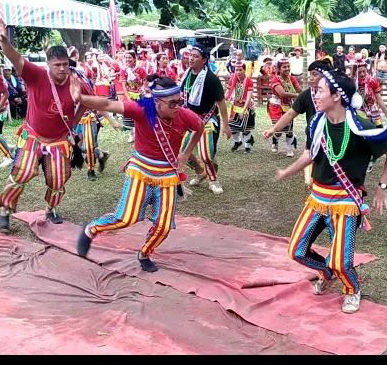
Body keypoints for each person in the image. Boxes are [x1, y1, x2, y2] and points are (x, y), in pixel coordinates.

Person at [275, 69, 387, 314]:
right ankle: (326, 272)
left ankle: (352, 289)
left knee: (342, 261)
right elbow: (310, 153)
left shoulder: (360, 126)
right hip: (317, 198)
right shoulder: (317, 123)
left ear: (336, 96)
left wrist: (382, 188)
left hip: (346, 201)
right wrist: (287, 172)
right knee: (296, 251)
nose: (315, 94)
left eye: (320, 90)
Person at [75, 76, 205, 272]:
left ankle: (144, 253)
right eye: (172, 103)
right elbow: (108, 103)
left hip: (167, 175)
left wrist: (185, 154)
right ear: (156, 102)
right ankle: (91, 229)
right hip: (140, 170)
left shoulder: (185, 116)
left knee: (164, 225)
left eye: (180, 101)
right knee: (126, 218)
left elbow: (200, 127)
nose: (178, 106)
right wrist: (80, 98)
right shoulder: (142, 109)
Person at [0, 17, 88, 232]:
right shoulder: (35, 75)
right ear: (48, 65)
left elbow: (85, 102)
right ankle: (5, 212)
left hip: (58, 140)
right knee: (21, 173)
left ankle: (51, 209)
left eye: (65, 64)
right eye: (57, 65)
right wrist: (4, 41)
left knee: (58, 179)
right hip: (33, 135)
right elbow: (15, 57)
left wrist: (72, 125)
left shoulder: (76, 81)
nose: (62, 69)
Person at [263, 56, 334, 185]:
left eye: (314, 74)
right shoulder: (306, 95)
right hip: (313, 137)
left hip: (334, 136)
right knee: (312, 180)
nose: (310, 78)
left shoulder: (336, 94)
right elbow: (290, 114)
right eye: (309, 74)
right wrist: (273, 129)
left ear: (325, 77)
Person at [181, 45, 232, 195]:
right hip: (189, 119)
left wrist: (226, 125)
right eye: (190, 55)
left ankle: (213, 180)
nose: (191, 58)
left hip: (207, 120)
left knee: (206, 154)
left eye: (195, 56)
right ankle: (199, 171)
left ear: (204, 60)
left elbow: (221, 102)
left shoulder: (210, 78)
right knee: (182, 152)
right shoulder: (187, 75)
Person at [268, 58, 302, 156]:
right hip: (276, 106)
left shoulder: (292, 78)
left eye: (288, 66)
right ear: (279, 69)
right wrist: (297, 96)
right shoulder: (276, 79)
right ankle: (275, 140)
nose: (287, 69)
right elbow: (282, 94)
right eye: (284, 67)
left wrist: (304, 93)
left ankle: (289, 149)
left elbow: (299, 90)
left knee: (289, 129)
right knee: (278, 129)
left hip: (288, 106)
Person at [226, 61, 256, 153]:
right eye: (236, 70)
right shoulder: (232, 79)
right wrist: (222, 99)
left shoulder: (249, 81)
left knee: (245, 129)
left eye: (240, 70)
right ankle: (237, 142)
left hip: (247, 107)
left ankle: (248, 146)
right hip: (235, 107)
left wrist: (243, 111)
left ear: (244, 70)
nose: (238, 72)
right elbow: (227, 93)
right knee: (232, 127)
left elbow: (248, 97)